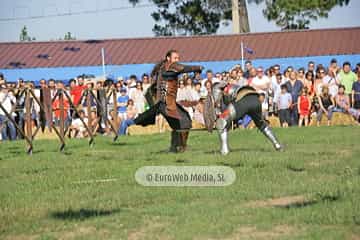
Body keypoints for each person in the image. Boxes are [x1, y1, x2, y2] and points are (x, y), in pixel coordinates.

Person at [134, 49, 203, 152]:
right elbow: (182, 68)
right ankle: (182, 147)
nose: (177, 60)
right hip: (166, 104)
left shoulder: (165, 68)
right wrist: (197, 67)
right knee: (184, 122)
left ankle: (175, 147)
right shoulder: (169, 66)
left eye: (178, 58)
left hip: (166, 103)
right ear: (168, 58)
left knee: (180, 122)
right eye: (175, 58)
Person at [210, 82, 283, 155]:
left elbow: (217, 103)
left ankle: (224, 151)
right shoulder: (234, 85)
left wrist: (218, 114)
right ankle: (277, 144)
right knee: (261, 124)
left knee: (221, 122)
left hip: (243, 100)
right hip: (255, 100)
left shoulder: (216, 87)